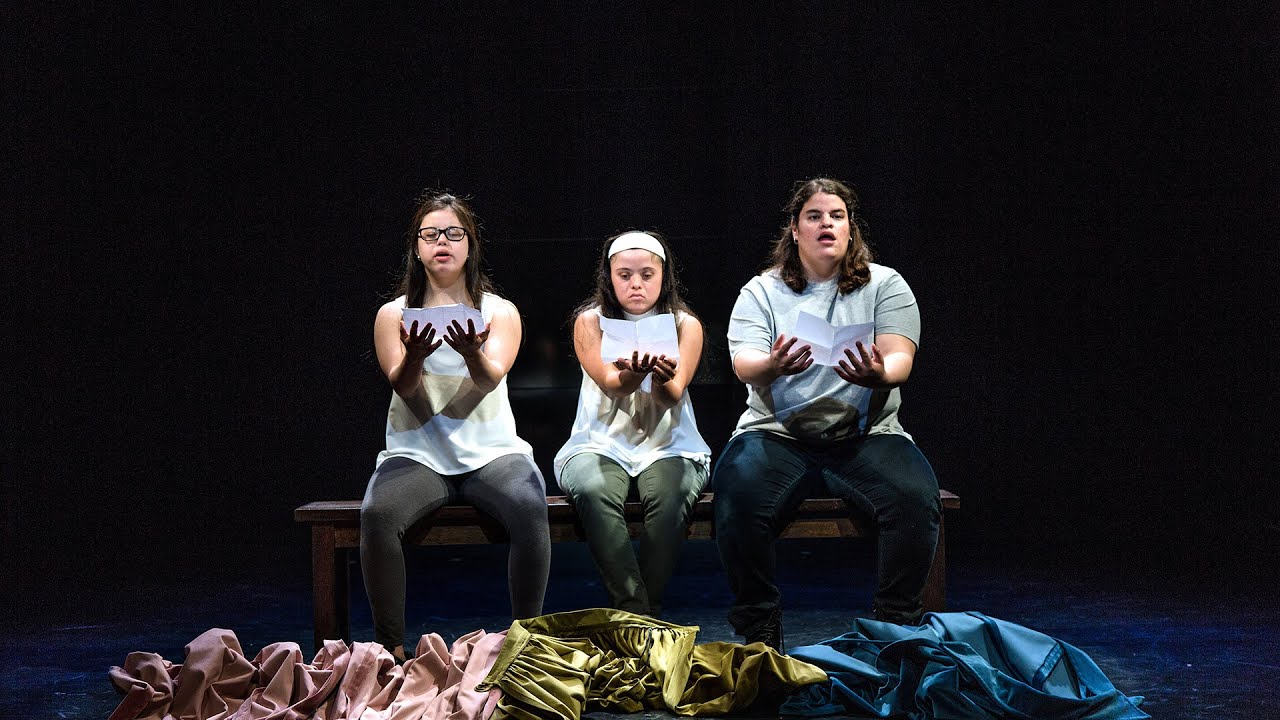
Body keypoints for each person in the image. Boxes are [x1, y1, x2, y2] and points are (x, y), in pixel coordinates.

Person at [714, 178, 941, 651]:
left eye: (837, 216)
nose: (827, 224)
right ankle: (759, 632)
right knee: (738, 499)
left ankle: (895, 629)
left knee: (916, 499)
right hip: (776, 433)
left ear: (850, 228)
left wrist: (879, 372)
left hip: (865, 433)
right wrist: (773, 364)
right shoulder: (762, 291)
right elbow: (744, 364)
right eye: (814, 216)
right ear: (794, 230)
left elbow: (900, 359)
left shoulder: (885, 284)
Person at [361, 191, 550, 662]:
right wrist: (416, 356)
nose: (441, 241)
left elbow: (490, 378)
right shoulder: (393, 314)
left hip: (492, 452)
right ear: (416, 247)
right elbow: (405, 388)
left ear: (470, 245)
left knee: (530, 508)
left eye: (452, 233)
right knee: (377, 517)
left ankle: (525, 645)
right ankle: (390, 651)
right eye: (429, 234)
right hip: (418, 452)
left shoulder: (499, 311)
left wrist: (471, 352)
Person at [553, 231, 711, 615]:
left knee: (671, 498)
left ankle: (640, 612)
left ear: (664, 276)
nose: (636, 283)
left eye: (646, 274)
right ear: (609, 277)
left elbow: (671, 395)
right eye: (624, 275)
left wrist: (658, 377)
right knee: (592, 490)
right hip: (600, 441)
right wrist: (631, 374)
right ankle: (636, 610)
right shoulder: (590, 322)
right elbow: (611, 386)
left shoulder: (684, 325)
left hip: (668, 442)